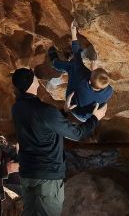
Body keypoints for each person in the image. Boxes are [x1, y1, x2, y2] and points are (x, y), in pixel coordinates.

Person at [11, 67, 106, 216]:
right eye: (34, 77)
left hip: (28, 175)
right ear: (31, 83)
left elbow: (40, 126)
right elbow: (77, 133)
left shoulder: (17, 108)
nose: (37, 79)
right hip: (47, 177)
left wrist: (63, 112)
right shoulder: (45, 111)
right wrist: (95, 118)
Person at [48, 20, 113, 122]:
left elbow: (76, 53)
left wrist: (74, 33)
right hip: (87, 117)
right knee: (76, 65)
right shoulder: (109, 90)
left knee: (72, 66)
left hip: (73, 108)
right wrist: (94, 71)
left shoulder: (82, 80)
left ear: (90, 81)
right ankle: (70, 59)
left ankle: (54, 60)